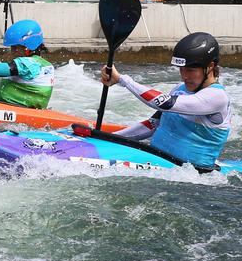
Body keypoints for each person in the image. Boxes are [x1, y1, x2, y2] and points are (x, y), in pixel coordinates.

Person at [99, 33, 231, 169]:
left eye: (191, 70)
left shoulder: (217, 97)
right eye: (181, 69)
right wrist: (107, 138)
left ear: (210, 66)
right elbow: (152, 125)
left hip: (193, 175)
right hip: (156, 160)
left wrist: (122, 79)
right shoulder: (179, 89)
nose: (184, 76)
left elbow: (164, 103)